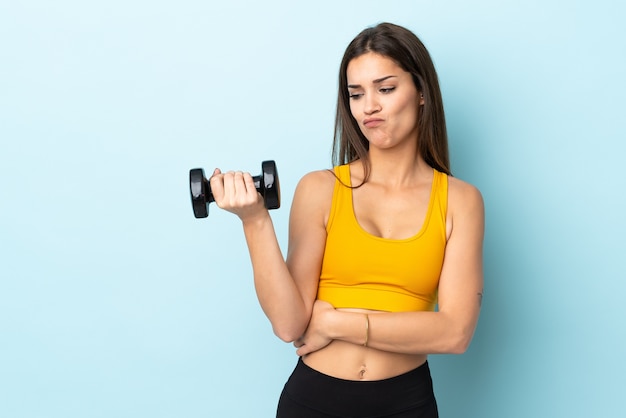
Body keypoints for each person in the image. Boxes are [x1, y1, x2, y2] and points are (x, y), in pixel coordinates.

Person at [209, 22, 484, 418]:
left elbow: (455, 333)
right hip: (313, 400)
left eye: (385, 89)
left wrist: (336, 324)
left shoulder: (461, 201)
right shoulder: (320, 189)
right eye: (356, 94)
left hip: (406, 404)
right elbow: (290, 326)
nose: (368, 106)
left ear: (421, 92)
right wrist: (254, 220)